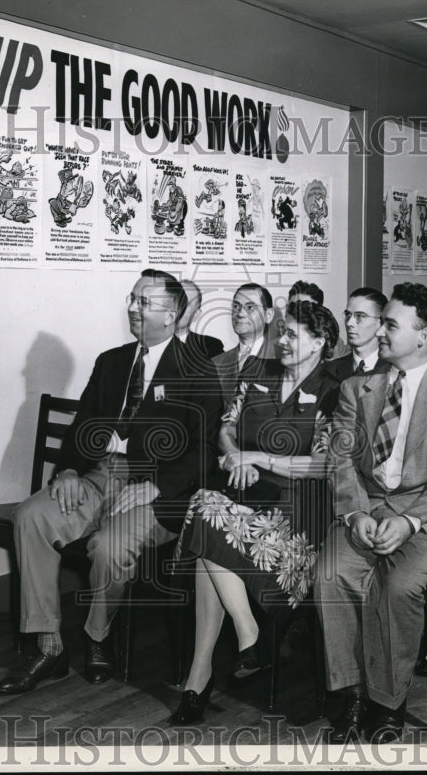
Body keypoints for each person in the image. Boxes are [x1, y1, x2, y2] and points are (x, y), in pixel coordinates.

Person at [0, 269, 220, 695]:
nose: (132, 308)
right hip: (98, 476)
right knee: (30, 516)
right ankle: (49, 646)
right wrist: (68, 471)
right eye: (131, 298)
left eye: (144, 302)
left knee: (110, 547)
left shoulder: (199, 372)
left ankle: (97, 636)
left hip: (155, 490)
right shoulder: (112, 362)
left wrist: (156, 488)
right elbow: (83, 425)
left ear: (172, 315)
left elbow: (205, 452)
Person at [316, 283, 427, 744]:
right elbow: (341, 460)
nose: (380, 332)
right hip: (368, 509)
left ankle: (387, 704)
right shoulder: (356, 389)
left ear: (424, 334)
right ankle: (350, 695)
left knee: (398, 585)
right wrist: (354, 515)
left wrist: (410, 521)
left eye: (390, 324)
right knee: (332, 574)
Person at [169, 301, 341, 725]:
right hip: (241, 503)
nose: (281, 340)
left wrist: (259, 458)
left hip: (298, 515)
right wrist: (235, 458)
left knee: (206, 515)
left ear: (319, 343)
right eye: (280, 331)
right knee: (212, 527)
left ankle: (204, 673)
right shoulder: (257, 373)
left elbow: (323, 464)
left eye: (293, 334)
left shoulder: (334, 389)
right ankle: (243, 639)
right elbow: (225, 428)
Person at [212, 282, 277, 402]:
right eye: (236, 306)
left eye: (250, 308)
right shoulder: (215, 364)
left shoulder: (283, 360)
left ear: (268, 315)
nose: (240, 314)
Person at [325, 287, 390, 381]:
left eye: (360, 316)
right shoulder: (328, 371)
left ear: (380, 321)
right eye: (348, 315)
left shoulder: (393, 370)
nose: (349, 323)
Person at [286, 280, 349, 359]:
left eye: (307, 309)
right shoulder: (273, 347)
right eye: (295, 308)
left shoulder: (334, 344)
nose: (300, 315)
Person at [176, 279, 224, 359]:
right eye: (176, 300)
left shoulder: (211, 347)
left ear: (196, 314)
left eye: (185, 303)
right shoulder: (149, 342)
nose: (178, 307)